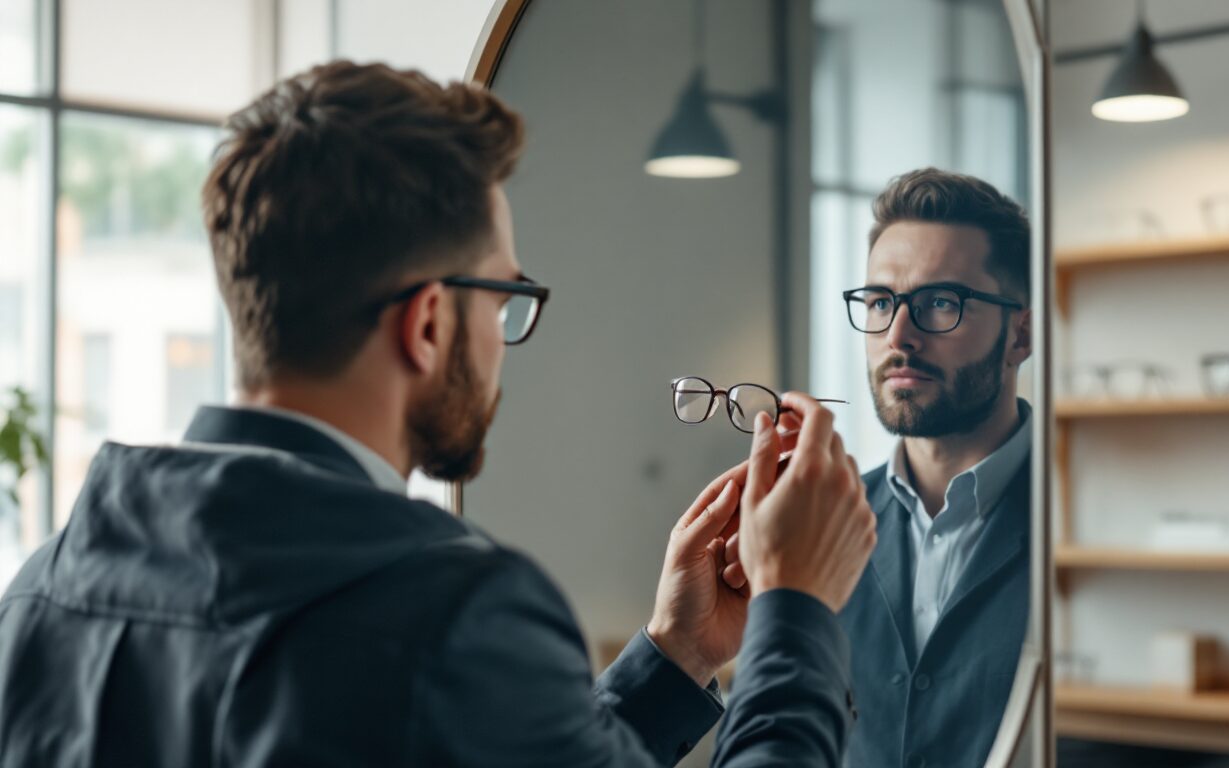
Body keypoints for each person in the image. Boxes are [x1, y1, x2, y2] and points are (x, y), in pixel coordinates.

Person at [0, 61, 876, 767]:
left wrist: (675, 654)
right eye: (502, 298)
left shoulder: (42, 595)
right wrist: (795, 610)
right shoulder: (451, 613)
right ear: (426, 322)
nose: (503, 337)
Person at [838, 168, 1034, 767]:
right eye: (879, 302)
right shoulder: (824, 528)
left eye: (940, 303)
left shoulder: (1083, 529)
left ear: (1019, 334)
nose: (899, 335)